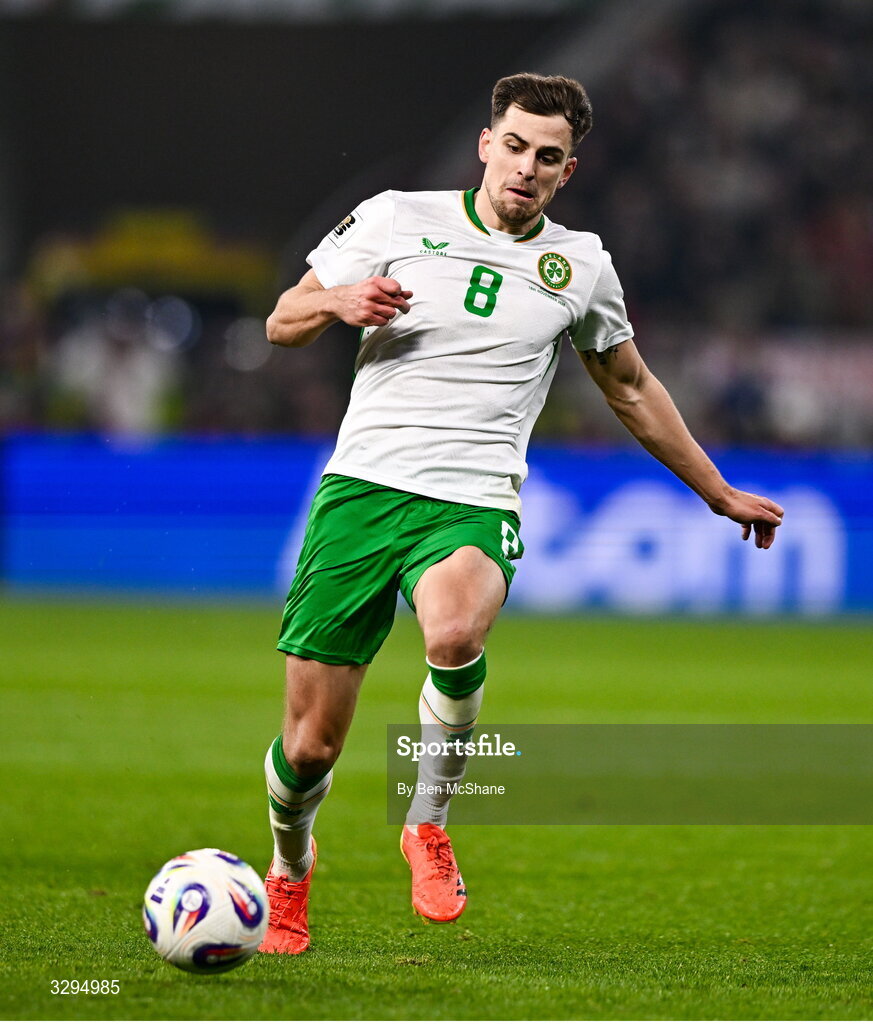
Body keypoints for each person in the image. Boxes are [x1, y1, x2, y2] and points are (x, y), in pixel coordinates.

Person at [257, 72, 784, 954]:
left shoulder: (580, 266)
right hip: (362, 492)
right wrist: (338, 301)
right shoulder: (394, 218)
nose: (525, 168)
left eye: (547, 157)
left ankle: (427, 823)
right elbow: (282, 319)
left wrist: (717, 490)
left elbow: (630, 387)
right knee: (310, 748)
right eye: (513, 147)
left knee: (455, 632)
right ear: (485, 145)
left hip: (472, 497)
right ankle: (289, 868)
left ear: (566, 171)